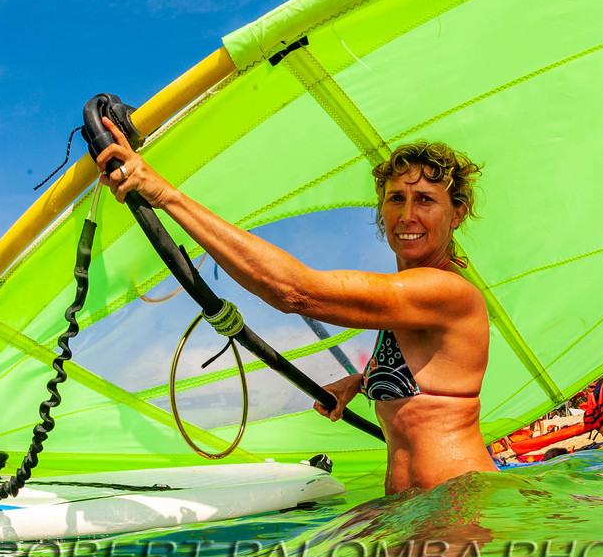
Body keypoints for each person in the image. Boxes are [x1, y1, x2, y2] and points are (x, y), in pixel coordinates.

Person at [95, 124, 496, 494]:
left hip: (456, 504)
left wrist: (166, 196)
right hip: (415, 507)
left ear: (457, 213)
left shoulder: (446, 292)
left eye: (425, 200)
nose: (407, 215)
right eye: (396, 199)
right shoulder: (411, 300)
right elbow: (429, 378)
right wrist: (362, 381)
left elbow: (293, 291)